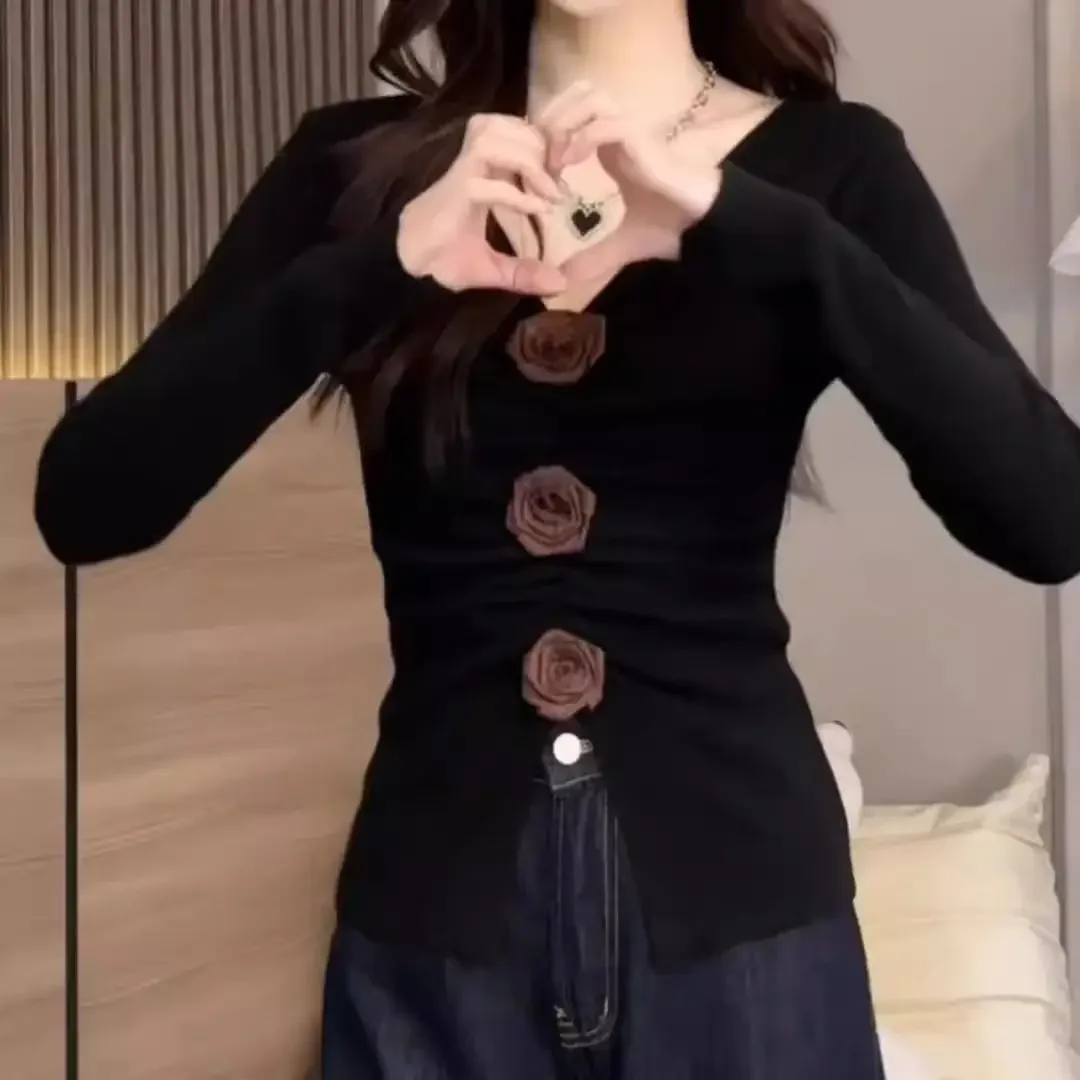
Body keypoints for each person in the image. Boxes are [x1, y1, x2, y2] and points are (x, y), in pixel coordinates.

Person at [32, 0, 1080, 1076]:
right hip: (438, 937)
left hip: (742, 927)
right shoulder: (355, 167)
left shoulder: (833, 165)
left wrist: (760, 230)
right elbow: (88, 500)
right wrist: (381, 264)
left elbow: (1046, 518)